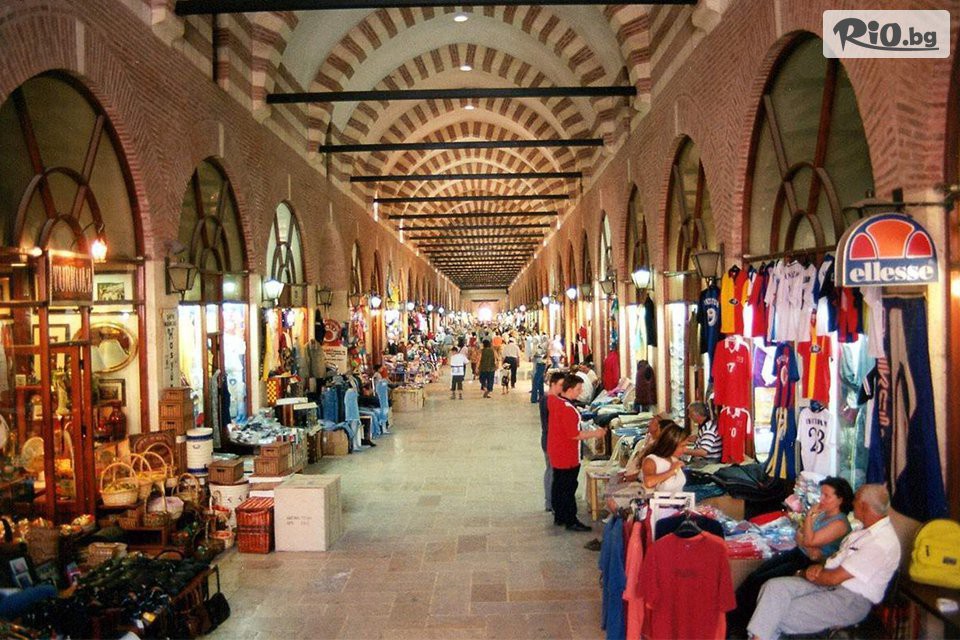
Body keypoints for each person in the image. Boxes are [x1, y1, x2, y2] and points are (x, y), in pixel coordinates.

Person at [747, 484, 901, 640]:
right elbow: (832, 562)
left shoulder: (880, 543)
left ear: (864, 506)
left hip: (849, 600)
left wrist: (804, 573)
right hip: (827, 583)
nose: (852, 503)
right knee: (772, 588)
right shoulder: (863, 530)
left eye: (855, 499)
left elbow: (833, 578)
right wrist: (819, 567)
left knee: (778, 614)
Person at [730, 476, 854, 634]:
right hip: (800, 553)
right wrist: (808, 541)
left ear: (840, 500)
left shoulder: (840, 523)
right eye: (821, 494)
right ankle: (733, 617)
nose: (821, 499)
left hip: (809, 563)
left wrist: (809, 519)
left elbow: (808, 540)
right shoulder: (823, 515)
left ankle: (743, 625)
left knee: (763, 581)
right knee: (755, 575)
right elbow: (799, 535)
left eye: (827, 496)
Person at [547, 374, 608, 531]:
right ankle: (571, 520)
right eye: (578, 389)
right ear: (569, 389)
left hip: (556, 450)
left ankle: (559, 516)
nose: (580, 392)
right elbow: (574, 434)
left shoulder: (554, 402)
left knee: (558, 485)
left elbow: (551, 395)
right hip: (567, 454)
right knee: (569, 487)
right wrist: (596, 433)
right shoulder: (568, 409)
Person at [540, 371, 566, 513]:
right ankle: (553, 502)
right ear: (552, 384)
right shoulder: (550, 400)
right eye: (561, 385)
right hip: (552, 440)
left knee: (551, 469)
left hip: (548, 439)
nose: (563, 388)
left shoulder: (547, 398)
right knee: (553, 471)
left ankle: (550, 501)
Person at [641, 422, 689, 493]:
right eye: (682, 446)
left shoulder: (674, 459)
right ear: (671, 444)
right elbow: (649, 483)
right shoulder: (651, 460)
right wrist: (672, 471)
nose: (685, 450)